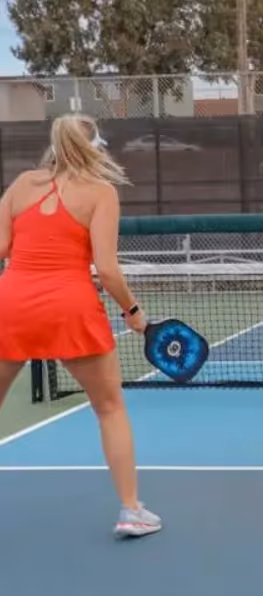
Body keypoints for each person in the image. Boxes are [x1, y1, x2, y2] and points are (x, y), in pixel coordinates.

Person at [0, 113, 161, 538]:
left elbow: (1, 247)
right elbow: (107, 271)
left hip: (10, 305)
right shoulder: (101, 192)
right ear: (95, 147)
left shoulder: (20, 186)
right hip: (70, 308)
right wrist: (134, 313)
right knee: (109, 408)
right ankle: (131, 510)